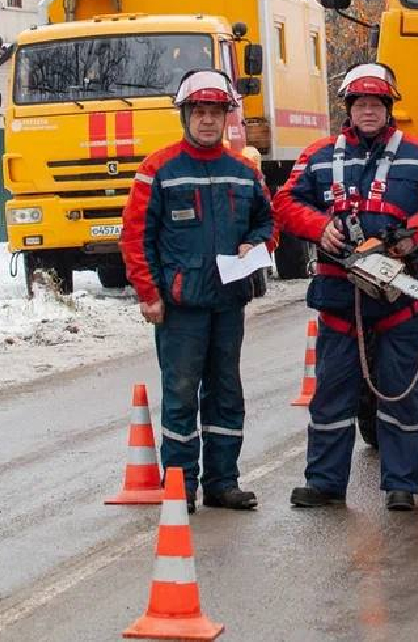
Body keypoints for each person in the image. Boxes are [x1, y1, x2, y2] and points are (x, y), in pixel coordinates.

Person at [273, 62, 418, 512]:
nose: (369, 110)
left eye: (376, 103)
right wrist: (320, 228)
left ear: (389, 106)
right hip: (341, 298)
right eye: (361, 103)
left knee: (403, 394)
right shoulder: (319, 156)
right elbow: (285, 202)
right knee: (332, 395)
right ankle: (324, 483)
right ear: (349, 108)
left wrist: (411, 233)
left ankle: (401, 484)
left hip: (399, 297)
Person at [120, 68, 273, 514]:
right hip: (181, 307)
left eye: (216, 112)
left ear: (228, 117)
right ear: (185, 115)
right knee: (182, 393)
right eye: (200, 112)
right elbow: (135, 238)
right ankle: (179, 486)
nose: (208, 121)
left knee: (226, 392)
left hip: (228, 303)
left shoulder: (244, 171)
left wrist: (258, 243)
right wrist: (149, 293)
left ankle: (223, 483)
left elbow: (269, 222)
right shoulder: (159, 169)